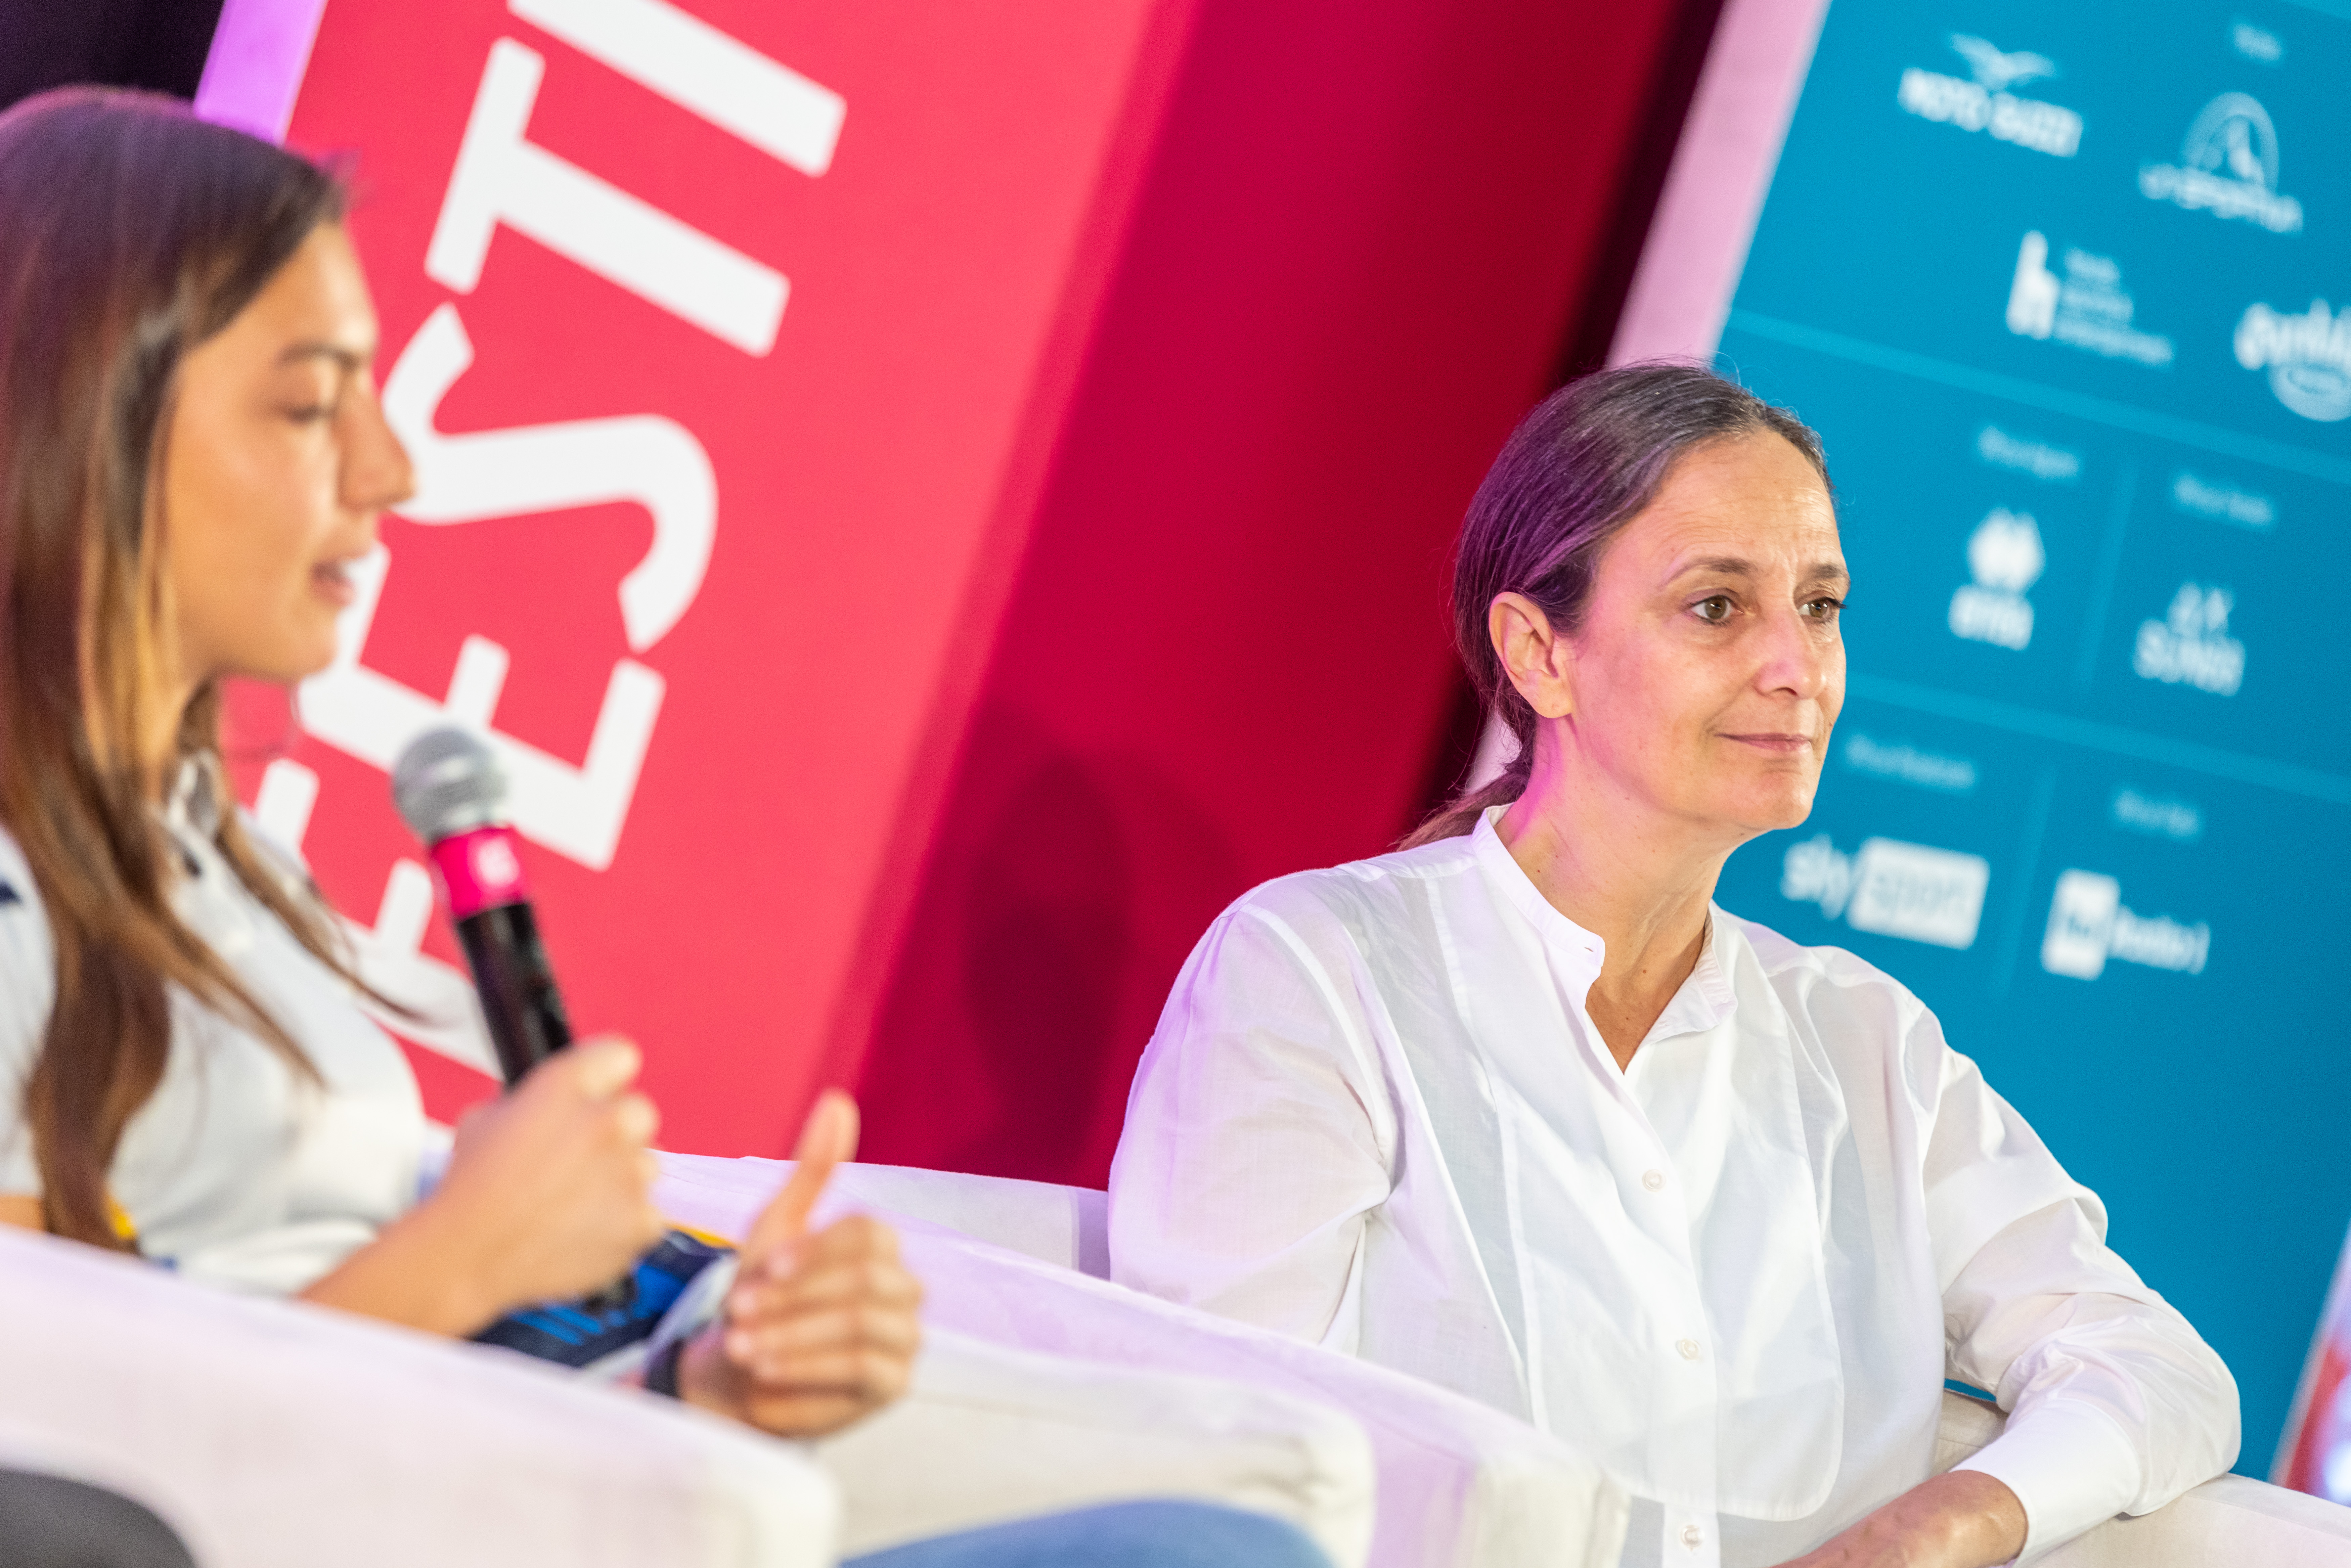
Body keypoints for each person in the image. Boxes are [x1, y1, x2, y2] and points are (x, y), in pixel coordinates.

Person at [0, 88, 1323, 1568]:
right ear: (86, 414)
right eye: (311, 407)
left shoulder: (208, 862)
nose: (390, 471)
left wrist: (698, 1374)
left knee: (1217, 1544)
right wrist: (467, 1252)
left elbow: (353, 1355)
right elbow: (65, 1461)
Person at [1106, 365, 2240, 1567]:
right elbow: (1215, 1472)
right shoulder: (1316, 976)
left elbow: (2157, 1371)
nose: (1795, 666)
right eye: (1716, 608)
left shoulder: (1865, 1041)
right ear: (1540, 653)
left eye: (1819, 605)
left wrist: (1942, 1527)